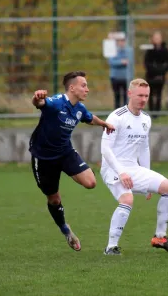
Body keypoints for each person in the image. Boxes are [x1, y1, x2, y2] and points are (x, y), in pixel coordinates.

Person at [30, 71, 115, 251]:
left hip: (65, 152)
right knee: (54, 199)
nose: (87, 89)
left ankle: (72, 170)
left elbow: (90, 118)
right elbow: (40, 103)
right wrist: (37, 97)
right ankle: (66, 230)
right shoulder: (56, 103)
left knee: (91, 182)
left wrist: (104, 124)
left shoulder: (79, 109)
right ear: (72, 87)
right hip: (43, 158)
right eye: (83, 85)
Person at [100, 79, 168, 255]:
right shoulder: (117, 117)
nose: (143, 99)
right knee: (127, 199)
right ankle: (111, 247)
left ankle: (160, 236)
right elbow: (105, 149)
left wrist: (148, 176)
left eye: (146, 96)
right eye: (139, 95)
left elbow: (144, 148)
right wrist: (121, 172)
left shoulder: (146, 119)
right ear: (130, 94)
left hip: (133, 168)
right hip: (112, 168)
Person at [143, 31, 168, 117]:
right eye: (155, 38)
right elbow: (146, 63)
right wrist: (154, 70)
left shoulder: (165, 50)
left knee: (159, 93)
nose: (157, 40)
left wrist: (162, 71)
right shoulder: (149, 50)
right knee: (150, 94)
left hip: (161, 75)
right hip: (151, 75)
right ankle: (152, 112)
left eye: (158, 38)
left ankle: (158, 112)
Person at [108, 35, 134, 109]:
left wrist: (119, 61)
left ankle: (126, 112)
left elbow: (130, 62)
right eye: (119, 41)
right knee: (117, 97)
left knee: (127, 97)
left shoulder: (129, 50)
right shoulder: (113, 50)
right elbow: (111, 62)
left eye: (123, 40)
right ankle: (117, 113)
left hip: (126, 77)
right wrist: (121, 62)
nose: (121, 42)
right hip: (115, 77)